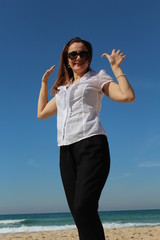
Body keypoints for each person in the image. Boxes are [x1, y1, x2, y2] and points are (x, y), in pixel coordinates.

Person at [37, 37, 135, 240]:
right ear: (67, 58)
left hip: (92, 146)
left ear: (89, 57)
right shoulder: (63, 89)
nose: (78, 57)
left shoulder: (98, 77)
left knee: (83, 208)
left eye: (84, 53)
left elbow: (127, 96)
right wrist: (44, 83)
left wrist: (116, 69)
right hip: (65, 152)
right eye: (73, 54)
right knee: (79, 214)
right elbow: (42, 113)